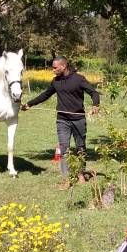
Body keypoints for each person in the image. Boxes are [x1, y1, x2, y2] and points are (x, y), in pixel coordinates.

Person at [21, 56, 100, 188]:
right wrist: (30, 104)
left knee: (80, 148)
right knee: (64, 149)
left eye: (55, 67)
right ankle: (67, 178)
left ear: (63, 66)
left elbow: (93, 92)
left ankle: (81, 173)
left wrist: (95, 105)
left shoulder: (78, 79)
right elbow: (45, 95)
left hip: (78, 119)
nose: (53, 70)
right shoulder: (56, 81)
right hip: (62, 120)